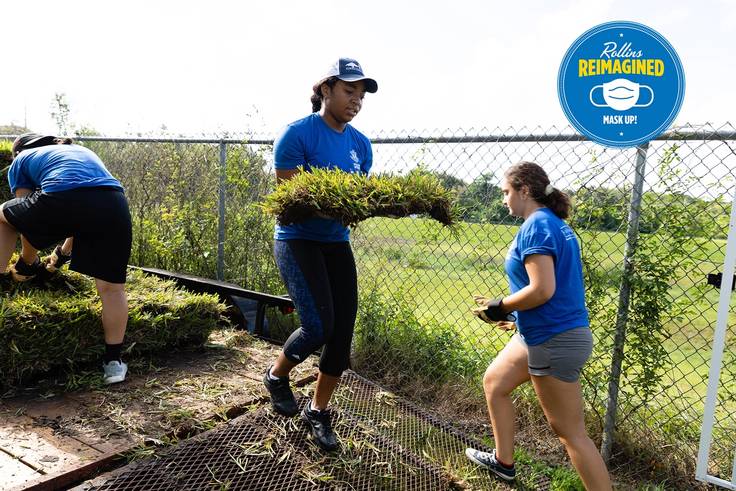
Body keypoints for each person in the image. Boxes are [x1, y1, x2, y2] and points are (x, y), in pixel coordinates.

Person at [466, 162, 612, 490]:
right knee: (495, 382)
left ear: (525, 191)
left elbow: (543, 289)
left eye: (507, 192)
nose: (504, 200)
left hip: (553, 339)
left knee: (571, 433)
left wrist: (499, 306)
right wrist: (516, 316)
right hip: (541, 332)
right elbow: (550, 292)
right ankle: (504, 463)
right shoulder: (553, 224)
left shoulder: (537, 225)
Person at [262, 58, 377, 451]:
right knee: (318, 327)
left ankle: (318, 410)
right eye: (349, 91)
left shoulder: (361, 145)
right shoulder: (296, 135)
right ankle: (277, 375)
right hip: (298, 241)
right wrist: (336, 205)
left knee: (342, 334)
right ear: (326, 89)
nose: (356, 101)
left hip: (335, 243)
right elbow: (290, 201)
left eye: (361, 95)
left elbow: (356, 198)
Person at [0, 134, 133, 385]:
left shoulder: (21, 160)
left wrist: (28, 262)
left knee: (2, 215)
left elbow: (25, 215)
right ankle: (113, 364)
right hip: (114, 203)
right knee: (112, 289)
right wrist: (61, 255)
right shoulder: (79, 152)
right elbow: (82, 210)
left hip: (64, 199)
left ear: (18, 151)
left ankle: (4, 280)